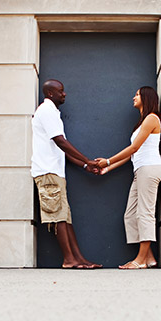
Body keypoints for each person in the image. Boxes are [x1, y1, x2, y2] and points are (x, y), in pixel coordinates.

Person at [31, 79, 102, 269]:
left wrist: (85, 166)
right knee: (59, 217)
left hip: (55, 173)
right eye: (61, 91)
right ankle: (69, 259)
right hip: (48, 172)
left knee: (65, 218)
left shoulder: (53, 113)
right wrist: (86, 159)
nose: (64, 94)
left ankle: (78, 258)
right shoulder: (46, 111)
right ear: (50, 94)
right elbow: (61, 142)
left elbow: (62, 150)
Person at [96, 86, 161, 269]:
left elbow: (133, 148)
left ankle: (139, 260)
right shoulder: (142, 122)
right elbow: (132, 154)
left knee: (145, 213)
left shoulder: (152, 118)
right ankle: (148, 258)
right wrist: (108, 168)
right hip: (140, 170)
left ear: (146, 98)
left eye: (137, 95)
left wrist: (108, 160)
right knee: (131, 215)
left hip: (149, 169)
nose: (134, 97)